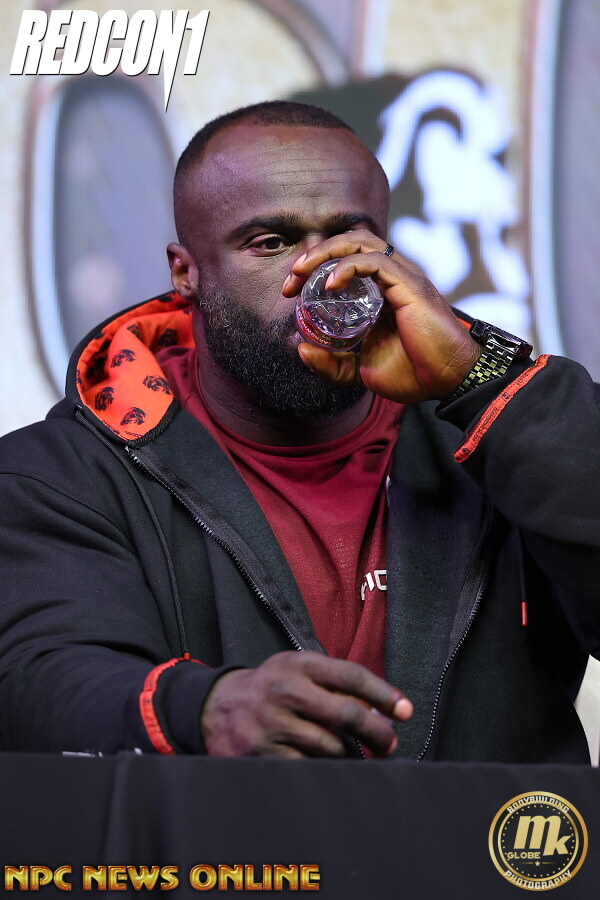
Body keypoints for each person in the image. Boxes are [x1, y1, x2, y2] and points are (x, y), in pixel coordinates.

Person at [0, 101, 598, 763]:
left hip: (490, 836)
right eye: (271, 242)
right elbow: (40, 677)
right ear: (185, 272)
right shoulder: (60, 475)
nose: (324, 275)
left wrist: (480, 377)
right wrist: (201, 709)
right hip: (227, 836)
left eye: (351, 239)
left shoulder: (502, 442)